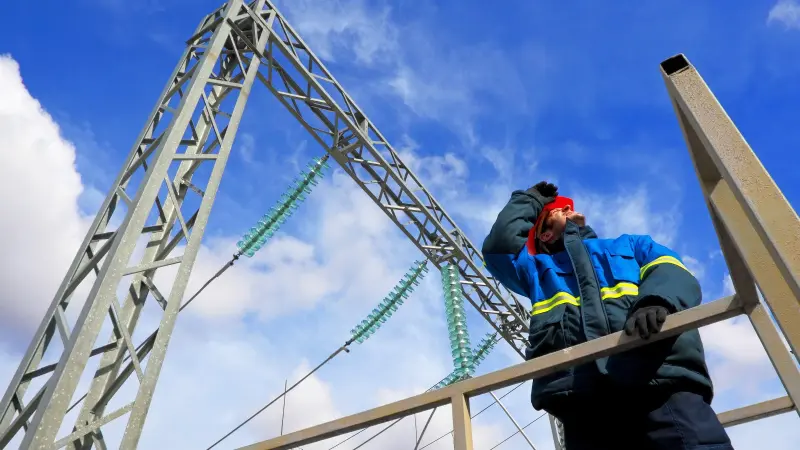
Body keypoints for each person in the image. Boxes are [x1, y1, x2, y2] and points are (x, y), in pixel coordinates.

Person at [481, 181, 733, 450]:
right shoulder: (537, 271)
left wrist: (656, 300)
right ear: (544, 235)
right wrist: (529, 200)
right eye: (558, 211)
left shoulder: (630, 245)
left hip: (660, 381)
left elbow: (672, 270)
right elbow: (500, 248)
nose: (568, 208)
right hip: (582, 404)